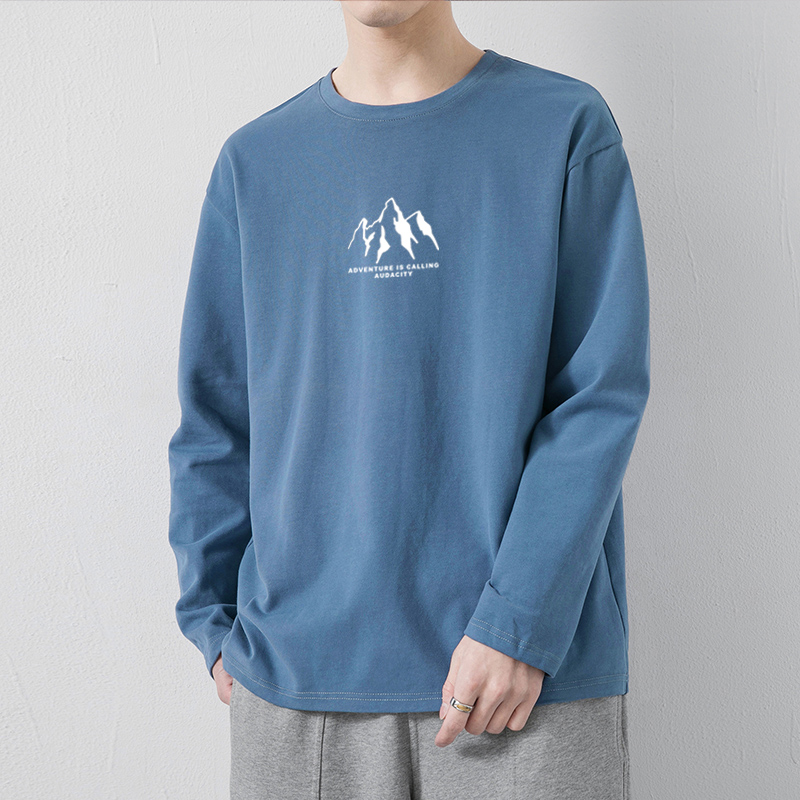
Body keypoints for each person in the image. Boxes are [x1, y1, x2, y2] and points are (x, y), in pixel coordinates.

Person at [168, 1, 650, 797]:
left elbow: (598, 395)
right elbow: (216, 417)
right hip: (296, 686)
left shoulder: (563, 127)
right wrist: (215, 622)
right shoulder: (256, 164)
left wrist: (518, 624)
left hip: (524, 686)